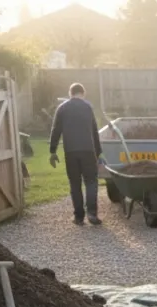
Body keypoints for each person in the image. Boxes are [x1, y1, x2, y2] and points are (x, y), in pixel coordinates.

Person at [48, 83, 104, 226]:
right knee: (91, 182)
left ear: (70, 93)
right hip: (88, 151)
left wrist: (52, 151)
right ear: (83, 93)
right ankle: (92, 214)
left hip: (70, 151)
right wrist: (98, 152)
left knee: (75, 183)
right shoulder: (88, 107)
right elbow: (94, 131)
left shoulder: (62, 108)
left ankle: (79, 217)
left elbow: (55, 130)